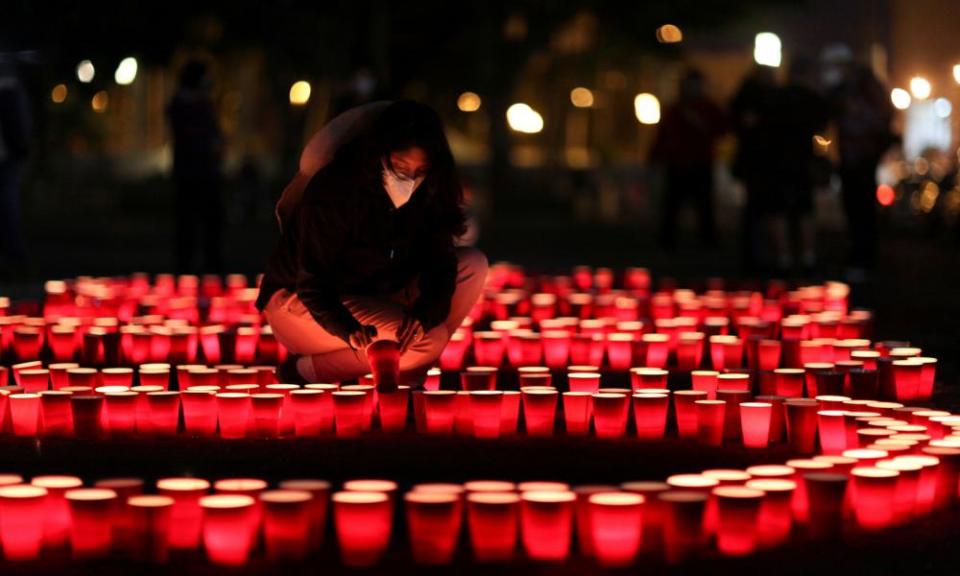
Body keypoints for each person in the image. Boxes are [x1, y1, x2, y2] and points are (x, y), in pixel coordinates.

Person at [257, 100, 487, 385]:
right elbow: (312, 283)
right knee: (430, 341)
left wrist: (425, 315)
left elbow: (441, 266)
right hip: (305, 303)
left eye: (421, 170)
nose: (411, 179)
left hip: (373, 296)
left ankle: (405, 371)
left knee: (473, 265)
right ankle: (302, 371)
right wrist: (346, 327)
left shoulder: (429, 193)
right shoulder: (337, 190)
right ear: (380, 152)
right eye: (401, 166)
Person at [828, 63, 894, 281]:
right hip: (861, 158)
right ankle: (864, 255)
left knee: (859, 208)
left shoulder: (857, 97)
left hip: (859, 158)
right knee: (862, 209)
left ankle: (861, 257)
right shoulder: (869, 96)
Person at [652, 69, 727, 250]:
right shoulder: (676, 109)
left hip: (701, 162)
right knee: (673, 205)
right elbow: (663, 134)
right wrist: (656, 155)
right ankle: (668, 242)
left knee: (704, 206)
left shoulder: (708, 108)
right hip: (679, 163)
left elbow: (722, 129)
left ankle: (707, 241)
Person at [768, 57, 829, 274]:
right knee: (804, 209)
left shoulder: (777, 97)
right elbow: (823, 126)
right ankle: (808, 255)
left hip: (777, 161)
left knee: (778, 210)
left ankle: (783, 257)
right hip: (803, 160)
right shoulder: (811, 98)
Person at [167, 59, 223, 274]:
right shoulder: (182, 106)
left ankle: (211, 265)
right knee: (187, 223)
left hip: (206, 173)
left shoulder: (204, 104)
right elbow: (192, 137)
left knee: (211, 222)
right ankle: (185, 266)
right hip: (191, 174)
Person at [730, 65, 778, 274]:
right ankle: (758, 255)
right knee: (759, 210)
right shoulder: (755, 99)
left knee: (758, 210)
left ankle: (758, 254)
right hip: (759, 162)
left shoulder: (748, 99)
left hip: (758, 162)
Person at [0, 56, 31, 272]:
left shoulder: (7, 81)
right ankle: (14, 258)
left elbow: (16, 119)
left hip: (8, 155)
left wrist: (19, 149)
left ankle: (15, 258)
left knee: (8, 204)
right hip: (9, 153)